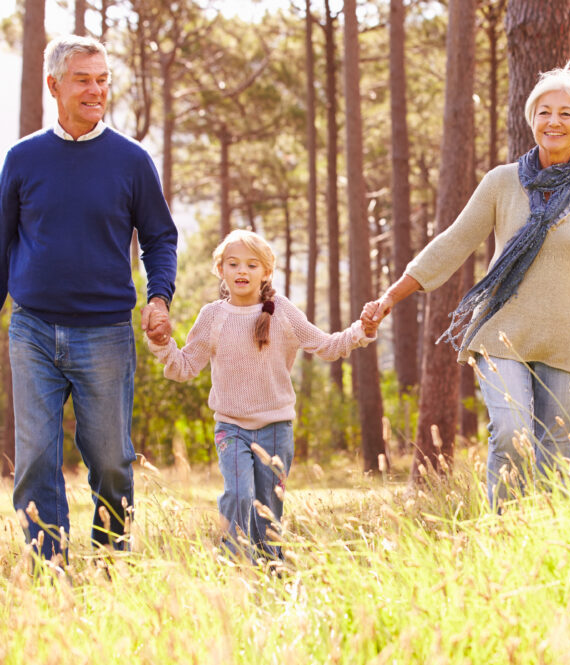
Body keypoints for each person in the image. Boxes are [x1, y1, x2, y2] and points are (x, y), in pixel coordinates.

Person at [364, 66, 570, 506]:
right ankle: (502, 534)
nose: (553, 122)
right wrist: (391, 295)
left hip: (567, 341)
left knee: (556, 455)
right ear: (531, 119)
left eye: (565, 113)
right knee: (511, 431)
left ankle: (542, 546)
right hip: (502, 334)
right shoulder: (503, 182)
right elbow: (453, 242)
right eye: (544, 112)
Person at [0, 35, 177, 559]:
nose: (96, 90)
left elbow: (160, 237)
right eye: (84, 80)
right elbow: (2, 241)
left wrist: (159, 297)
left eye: (102, 80)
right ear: (54, 84)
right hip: (31, 328)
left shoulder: (131, 160)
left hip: (105, 331)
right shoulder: (23, 158)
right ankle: (48, 565)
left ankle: (109, 561)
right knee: (35, 457)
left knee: (110, 460)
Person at [146, 229, 377, 560]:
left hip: (275, 429)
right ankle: (237, 564)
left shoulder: (281, 311)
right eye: (233, 264)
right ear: (220, 270)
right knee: (239, 495)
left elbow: (326, 345)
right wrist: (161, 343)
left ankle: (271, 576)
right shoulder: (212, 316)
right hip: (231, 427)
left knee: (268, 512)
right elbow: (184, 367)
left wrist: (361, 331)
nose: (242, 271)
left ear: (266, 272)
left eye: (252, 265)